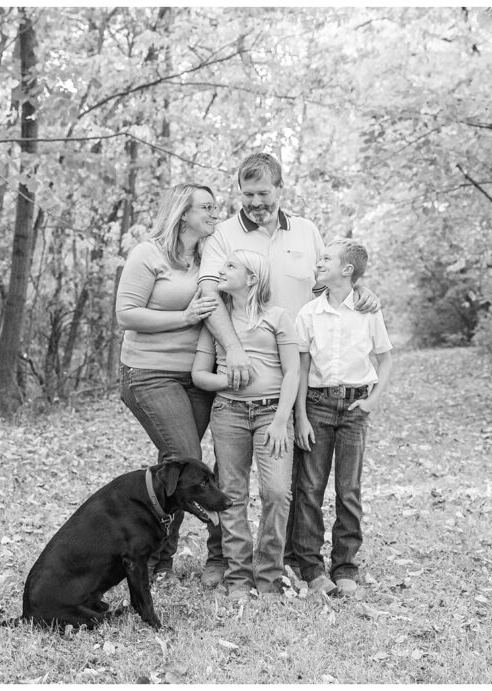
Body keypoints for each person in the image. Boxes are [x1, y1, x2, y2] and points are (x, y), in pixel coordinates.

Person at [197, 152, 380, 589]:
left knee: (296, 476)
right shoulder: (224, 235)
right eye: (248, 194)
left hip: (303, 371)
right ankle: (223, 557)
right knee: (232, 475)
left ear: (281, 188)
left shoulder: (306, 231)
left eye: (264, 193)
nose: (256, 202)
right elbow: (209, 297)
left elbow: (330, 279)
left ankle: (298, 558)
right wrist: (235, 350)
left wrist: (363, 288)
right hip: (246, 371)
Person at [115, 183, 223, 581]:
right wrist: (186, 318)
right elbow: (126, 314)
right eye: (207, 207)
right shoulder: (149, 254)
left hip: (197, 376)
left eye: (217, 207)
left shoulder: (211, 255)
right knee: (187, 459)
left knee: (176, 468)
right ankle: (159, 556)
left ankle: (152, 556)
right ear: (183, 212)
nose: (215, 214)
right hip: (148, 372)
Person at [191, 250, 300, 599]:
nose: (221, 271)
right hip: (229, 414)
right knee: (232, 496)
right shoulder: (215, 322)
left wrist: (282, 420)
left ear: (252, 278)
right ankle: (238, 577)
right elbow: (199, 376)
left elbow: (293, 372)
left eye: (231, 267)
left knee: (277, 493)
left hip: (272, 415)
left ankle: (268, 575)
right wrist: (228, 382)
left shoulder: (278, 317)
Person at [291, 238, 393, 597]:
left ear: (347, 270)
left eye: (327, 259)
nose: (319, 262)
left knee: (349, 490)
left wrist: (371, 402)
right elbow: (301, 370)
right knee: (309, 489)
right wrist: (300, 417)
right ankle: (312, 567)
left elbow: (385, 359)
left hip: (354, 408)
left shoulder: (368, 311)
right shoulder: (308, 314)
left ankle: (345, 566)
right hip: (317, 406)